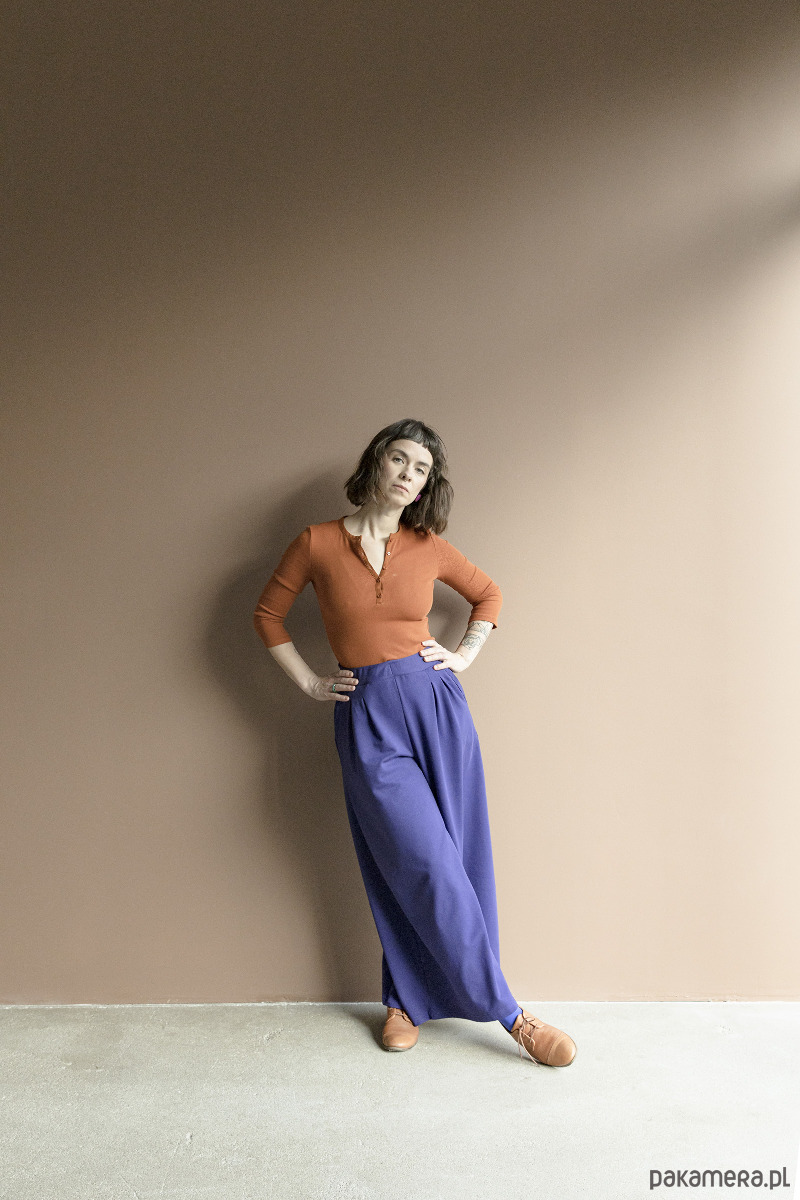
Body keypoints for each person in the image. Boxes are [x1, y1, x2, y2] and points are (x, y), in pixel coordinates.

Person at [252, 418, 576, 1067]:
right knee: (416, 860)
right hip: (368, 716)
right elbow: (267, 615)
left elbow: (488, 595)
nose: (408, 474)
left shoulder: (428, 546)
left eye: (421, 469)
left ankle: (403, 1000)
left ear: (427, 485)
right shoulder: (316, 542)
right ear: (376, 462)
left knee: (458, 857)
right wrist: (311, 683)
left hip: (437, 707)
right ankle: (512, 1017)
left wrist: (464, 654)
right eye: (399, 459)